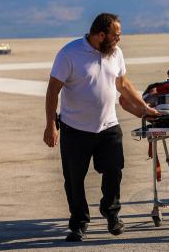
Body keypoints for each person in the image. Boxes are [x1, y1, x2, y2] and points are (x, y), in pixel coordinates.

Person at [43, 13, 160, 242]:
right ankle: (79, 222)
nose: (119, 40)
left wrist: (145, 108)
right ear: (100, 35)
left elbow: (122, 84)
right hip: (74, 128)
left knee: (114, 171)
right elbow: (52, 91)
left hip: (108, 126)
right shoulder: (69, 54)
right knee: (74, 179)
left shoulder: (115, 53)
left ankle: (111, 213)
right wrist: (50, 125)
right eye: (116, 36)